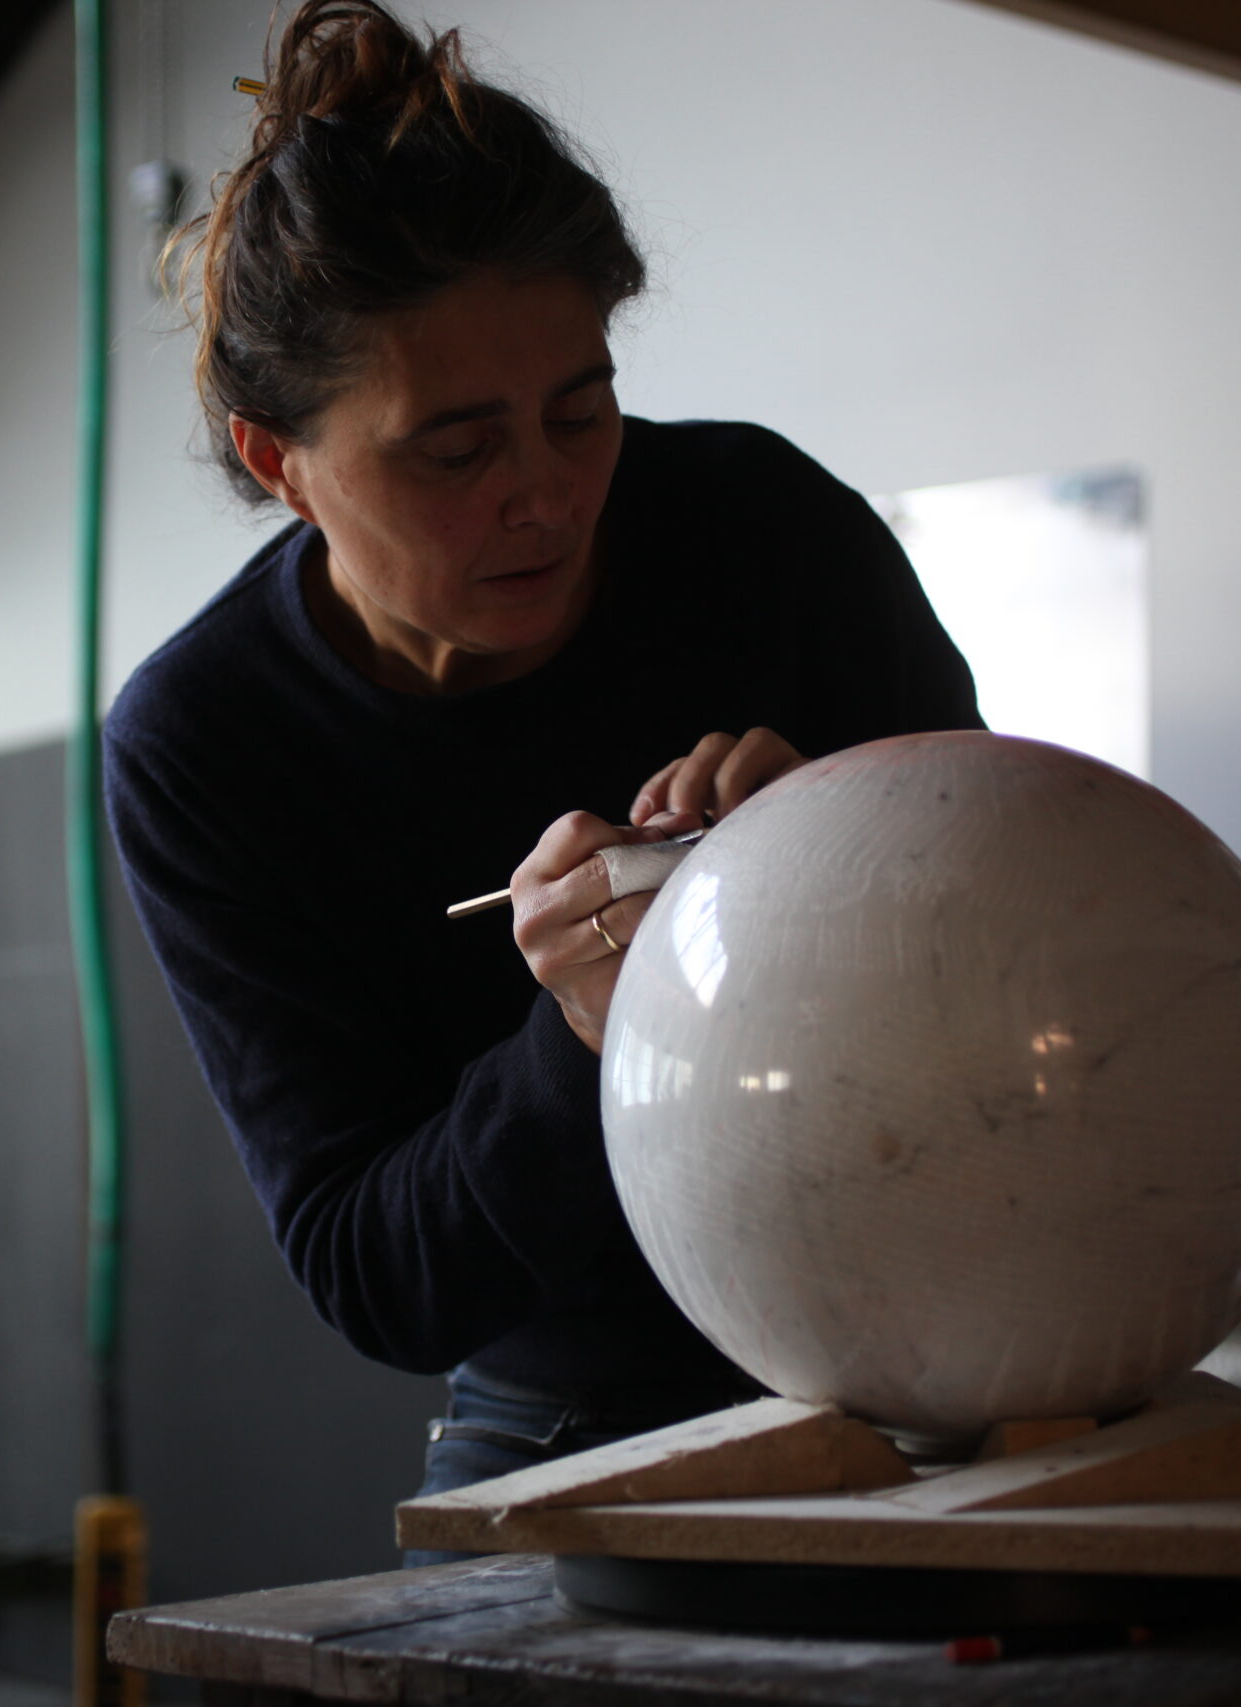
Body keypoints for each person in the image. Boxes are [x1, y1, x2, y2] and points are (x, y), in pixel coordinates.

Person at [102, 0, 981, 1550]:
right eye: (455, 451)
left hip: (939, 1326)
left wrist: (850, 860)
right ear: (279, 463)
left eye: (582, 411)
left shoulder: (767, 531)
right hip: (581, 1398)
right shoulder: (207, 741)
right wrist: (583, 1033)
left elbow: (1021, 958)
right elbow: (377, 1276)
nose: (547, 497)